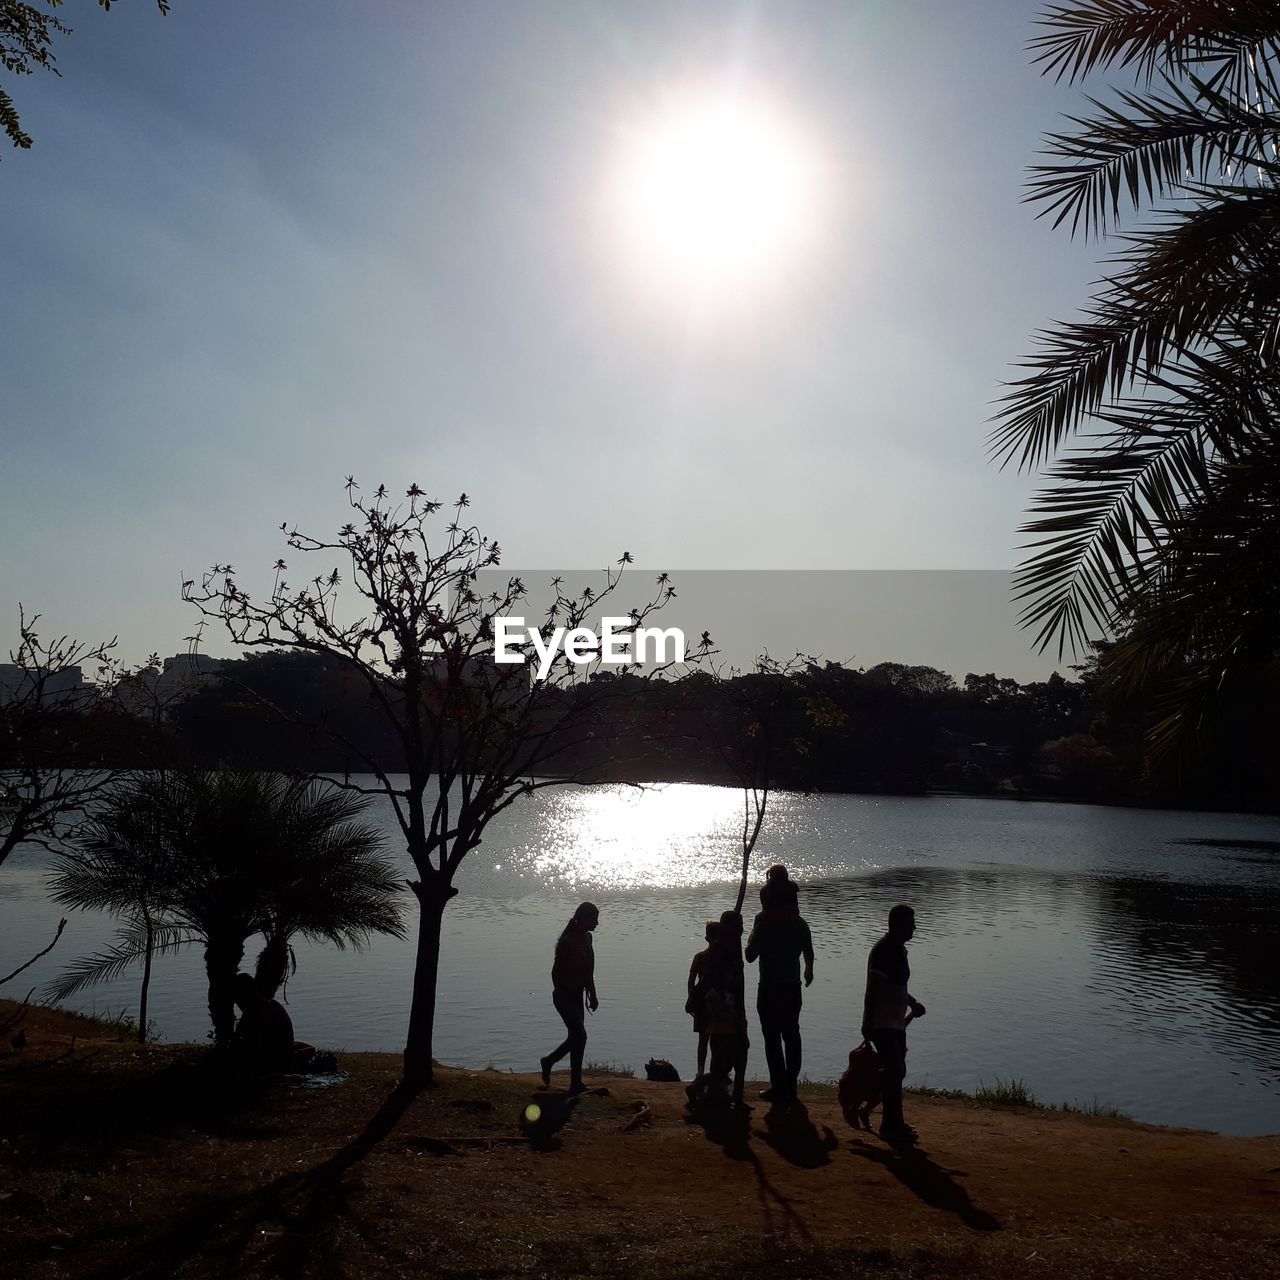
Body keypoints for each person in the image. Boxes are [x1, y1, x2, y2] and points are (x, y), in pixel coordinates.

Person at [744, 872, 814, 1103]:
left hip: (771, 987)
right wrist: (808, 970)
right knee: (792, 1034)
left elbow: (751, 956)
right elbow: (808, 950)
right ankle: (790, 1085)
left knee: (772, 1037)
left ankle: (779, 1085)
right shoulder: (799, 922)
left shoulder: (764, 923)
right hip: (792, 987)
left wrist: (750, 935)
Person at [862, 903, 927, 1144]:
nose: (914, 928)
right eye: (911, 924)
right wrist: (867, 1021)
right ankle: (890, 1125)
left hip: (896, 1021)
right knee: (895, 1070)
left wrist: (912, 1003)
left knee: (896, 1072)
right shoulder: (883, 951)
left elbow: (897, 986)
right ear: (898, 926)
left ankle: (892, 1120)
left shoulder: (899, 950)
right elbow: (872, 990)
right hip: (881, 1022)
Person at [687, 910, 750, 1111]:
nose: (741, 928)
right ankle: (703, 1088)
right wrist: (695, 999)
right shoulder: (716, 952)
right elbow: (708, 981)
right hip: (721, 1011)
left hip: (734, 1009)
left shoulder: (731, 949)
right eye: (738, 925)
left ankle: (735, 1097)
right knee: (725, 1059)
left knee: (739, 1054)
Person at [540, 901, 599, 1094]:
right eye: (594, 919)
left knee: (577, 1038)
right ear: (581, 919)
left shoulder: (588, 939)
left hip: (577, 995)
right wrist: (564, 990)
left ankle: (575, 1082)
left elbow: (589, 970)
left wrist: (592, 994)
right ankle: (549, 1061)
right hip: (564, 996)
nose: (597, 923)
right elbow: (555, 972)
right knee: (579, 1036)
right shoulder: (567, 942)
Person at [230, 972, 296, 1073]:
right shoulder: (271, 1005)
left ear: (242, 996)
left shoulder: (255, 1012)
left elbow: (257, 1046)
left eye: (237, 998)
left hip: (275, 1063)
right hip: (283, 1055)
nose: (237, 1004)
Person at [685, 918, 720, 1079]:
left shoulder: (700, 957)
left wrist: (692, 998)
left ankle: (705, 1072)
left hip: (708, 1003)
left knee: (706, 1040)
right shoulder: (721, 957)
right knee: (710, 1040)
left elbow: (691, 982)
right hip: (710, 1003)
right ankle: (704, 1072)